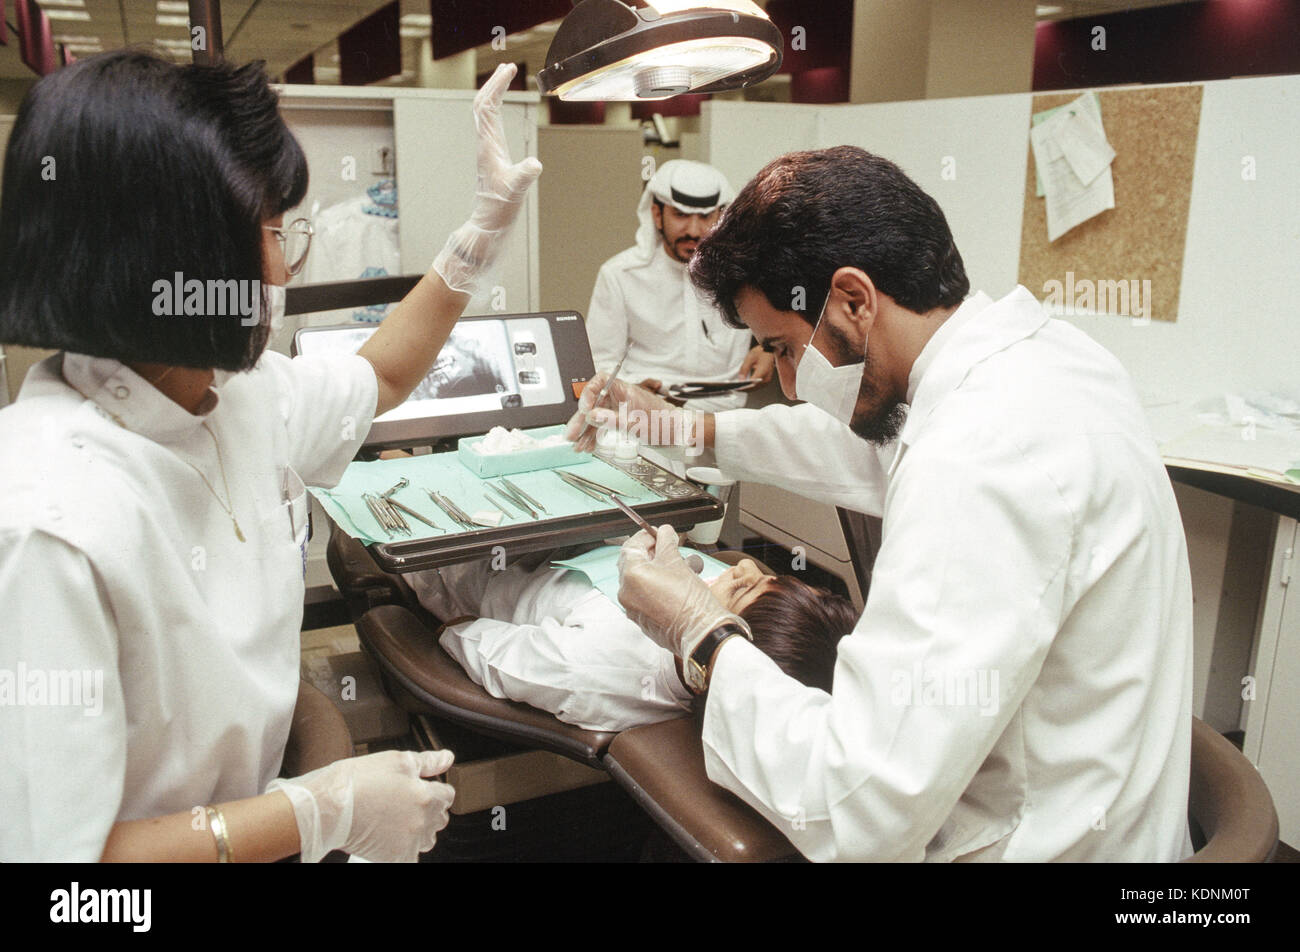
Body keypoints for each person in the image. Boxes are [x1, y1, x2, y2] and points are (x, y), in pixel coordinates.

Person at [568, 146, 1194, 862]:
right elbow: (867, 446)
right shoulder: (1040, 363)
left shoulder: (977, 461)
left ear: (854, 300)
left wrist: (702, 633)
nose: (791, 384)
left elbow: (855, 808)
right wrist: (673, 427)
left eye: (782, 348)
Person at [0, 53, 540, 862]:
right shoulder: (46, 521)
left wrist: (479, 235)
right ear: (172, 254)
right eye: (269, 233)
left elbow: (382, 373)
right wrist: (318, 813)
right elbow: (67, 885)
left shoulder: (237, 396)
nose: (287, 267)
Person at [407, 548, 856, 732]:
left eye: (743, 588)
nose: (744, 569)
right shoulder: (734, 612)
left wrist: (449, 625)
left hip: (467, 565)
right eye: (766, 575)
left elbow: (482, 645)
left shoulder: (600, 669)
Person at [585, 160, 775, 413]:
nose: (694, 231)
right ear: (657, 215)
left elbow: (793, 312)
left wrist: (769, 349)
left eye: (705, 216)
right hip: (646, 412)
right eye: (681, 215)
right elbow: (600, 360)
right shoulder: (620, 275)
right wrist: (631, 387)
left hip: (725, 415)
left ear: (721, 216)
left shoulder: (744, 271)